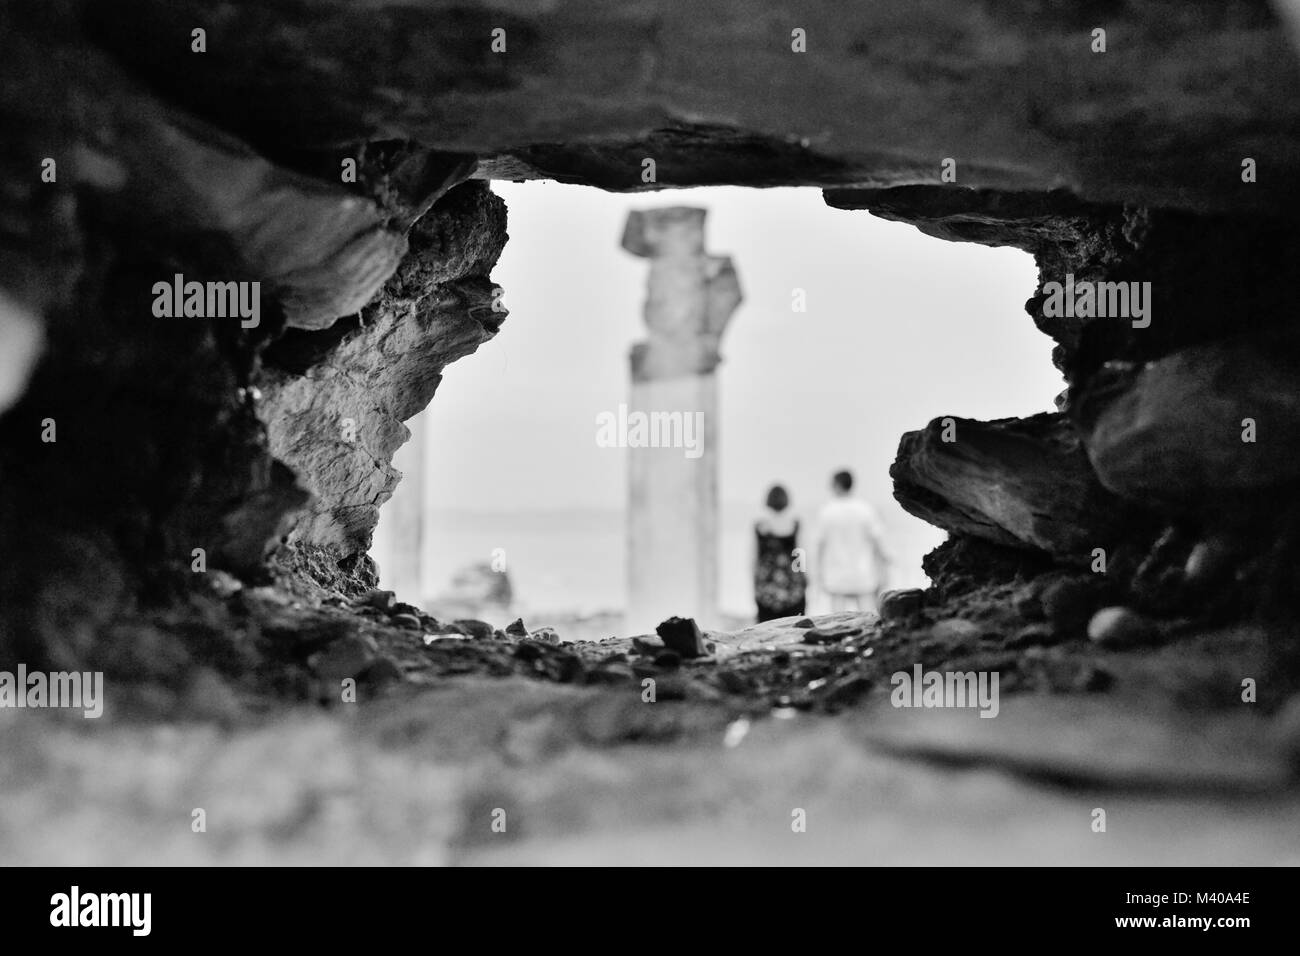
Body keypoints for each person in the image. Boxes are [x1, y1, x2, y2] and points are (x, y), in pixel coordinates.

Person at [814, 469, 889, 612]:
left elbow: (819, 546)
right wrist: (884, 570)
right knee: (868, 621)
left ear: (836, 485)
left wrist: (817, 575)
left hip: (836, 577)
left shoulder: (826, 511)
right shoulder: (866, 509)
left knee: (836, 622)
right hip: (863, 574)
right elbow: (879, 542)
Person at [752, 484, 807, 622]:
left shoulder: (760, 526)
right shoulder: (795, 525)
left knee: (766, 633)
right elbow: (800, 555)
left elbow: (754, 558)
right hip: (793, 589)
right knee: (795, 631)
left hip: (766, 590)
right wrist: (805, 577)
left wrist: (754, 583)